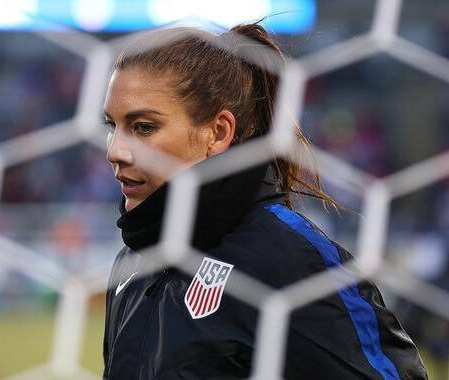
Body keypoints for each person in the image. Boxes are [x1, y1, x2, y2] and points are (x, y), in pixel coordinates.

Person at [101, 22, 427, 380]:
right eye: (111, 126)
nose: (115, 151)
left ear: (218, 132)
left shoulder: (288, 260)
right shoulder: (132, 262)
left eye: (143, 127)